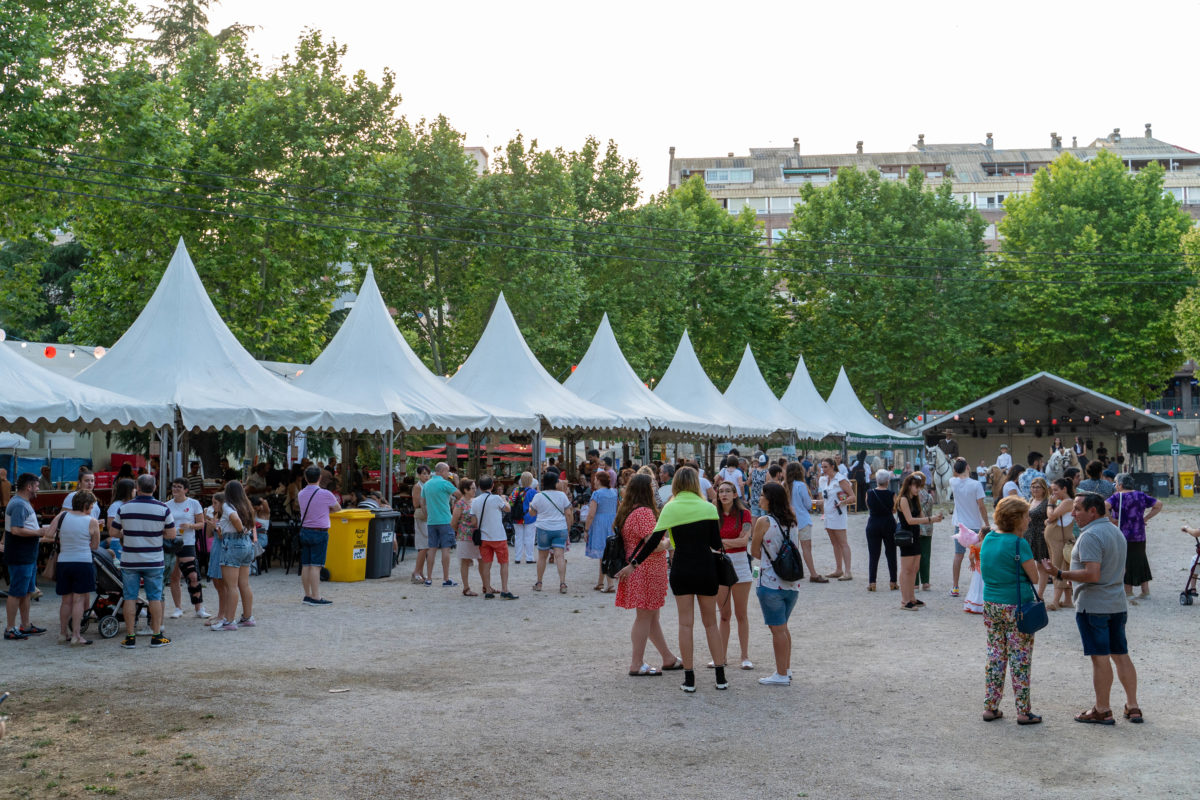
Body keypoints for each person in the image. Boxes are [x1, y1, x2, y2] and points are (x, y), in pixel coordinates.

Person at [1037, 492, 1142, 724]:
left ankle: (1102, 709)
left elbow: (1092, 574)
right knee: (1121, 655)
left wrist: (1060, 573)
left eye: (1077, 509)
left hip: (1094, 606)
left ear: (1092, 511)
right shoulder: (1116, 532)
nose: (1073, 514)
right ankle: (1133, 706)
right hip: (1116, 603)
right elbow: (1118, 571)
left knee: (1100, 658)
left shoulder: (1091, 536)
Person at [652, 467, 725, 693]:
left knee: (686, 624)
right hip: (706, 567)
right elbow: (716, 543)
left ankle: (690, 678)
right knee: (711, 623)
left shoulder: (669, 508)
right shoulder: (709, 508)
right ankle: (720, 677)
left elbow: (654, 541)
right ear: (696, 482)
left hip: (682, 567)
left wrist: (633, 563)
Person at [979, 495, 1042, 724]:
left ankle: (990, 706)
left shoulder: (988, 539)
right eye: (1026, 516)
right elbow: (1034, 576)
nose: (1029, 520)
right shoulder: (1019, 544)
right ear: (1017, 519)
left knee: (996, 655)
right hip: (1016, 606)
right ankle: (1023, 711)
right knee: (1020, 659)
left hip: (991, 604)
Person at [612, 474, 680, 676]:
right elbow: (655, 545)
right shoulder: (644, 513)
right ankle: (636, 663)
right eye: (653, 486)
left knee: (651, 618)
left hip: (640, 568)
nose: (656, 488)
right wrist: (668, 542)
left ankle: (668, 658)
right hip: (647, 569)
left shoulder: (629, 510)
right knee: (645, 618)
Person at [112, 474, 176, 648]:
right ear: (154, 488)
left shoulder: (124, 508)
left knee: (130, 597)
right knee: (155, 597)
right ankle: (156, 636)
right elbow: (171, 534)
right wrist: (156, 533)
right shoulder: (163, 508)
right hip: (154, 560)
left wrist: (128, 534)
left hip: (130, 560)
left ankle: (130, 637)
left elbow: (113, 532)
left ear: (137, 488)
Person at [4, 473, 55, 640]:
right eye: (37, 485)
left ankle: (24, 625)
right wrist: (39, 532)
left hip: (27, 554)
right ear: (29, 486)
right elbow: (16, 530)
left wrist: (40, 536)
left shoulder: (21, 503)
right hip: (20, 555)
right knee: (16, 592)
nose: (38, 488)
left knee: (26, 592)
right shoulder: (19, 504)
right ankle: (10, 628)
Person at [711, 481, 753, 670]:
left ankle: (744, 656)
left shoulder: (745, 514)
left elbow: (744, 540)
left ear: (735, 494)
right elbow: (710, 542)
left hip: (740, 563)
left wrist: (722, 542)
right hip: (720, 563)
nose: (724, 494)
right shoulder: (713, 515)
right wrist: (729, 543)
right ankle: (722, 656)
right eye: (721, 491)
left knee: (741, 613)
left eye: (728, 491)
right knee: (724, 615)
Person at [52, 490, 101, 645]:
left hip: (64, 561)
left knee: (65, 600)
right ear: (86, 505)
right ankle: (76, 635)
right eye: (92, 505)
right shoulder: (91, 521)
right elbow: (95, 545)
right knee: (78, 600)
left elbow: (48, 532)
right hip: (82, 562)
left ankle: (62, 633)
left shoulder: (62, 516)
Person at [1107, 473, 1162, 604]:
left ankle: (1128, 592)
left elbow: (1104, 506)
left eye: (1115, 483)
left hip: (1123, 534)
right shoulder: (1141, 495)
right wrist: (1146, 518)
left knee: (1125, 562)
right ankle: (1145, 591)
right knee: (1141, 560)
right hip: (1139, 534)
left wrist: (1111, 519)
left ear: (1120, 485)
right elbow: (1159, 504)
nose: (1115, 486)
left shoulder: (1117, 496)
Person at [212, 480, 255, 630]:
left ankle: (229, 621)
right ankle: (248, 617)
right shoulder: (246, 505)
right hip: (246, 544)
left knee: (231, 586)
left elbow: (234, 518)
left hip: (232, 543)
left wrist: (240, 529)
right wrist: (244, 531)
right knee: (244, 583)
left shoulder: (227, 505)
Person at [895, 473, 942, 610]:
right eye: (916, 487)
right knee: (906, 570)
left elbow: (921, 516)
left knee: (914, 569)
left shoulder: (915, 499)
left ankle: (912, 598)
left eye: (920, 487)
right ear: (909, 486)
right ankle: (905, 601)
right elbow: (910, 520)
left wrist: (934, 518)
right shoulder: (903, 499)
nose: (918, 490)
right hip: (906, 536)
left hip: (916, 536)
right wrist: (930, 520)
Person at [165, 478, 209, 620]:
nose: (175, 489)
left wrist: (190, 526)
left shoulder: (193, 503)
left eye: (179, 487)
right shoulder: (166, 505)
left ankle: (199, 607)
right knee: (174, 576)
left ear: (186, 490)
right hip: (171, 542)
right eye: (174, 486)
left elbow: (202, 524)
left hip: (187, 542)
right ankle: (178, 608)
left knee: (192, 575)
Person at [297, 465, 340, 605]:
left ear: (305, 478)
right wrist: (327, 513)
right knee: (316, 566)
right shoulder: (326, 494)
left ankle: (307, 595)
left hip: (305, 531)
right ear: (320, 478)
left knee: (306, 565)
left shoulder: (301, 494)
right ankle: (316, 597)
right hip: (319, 532)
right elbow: (338, 508)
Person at [470, 476, 517, 600]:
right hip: (498, 536)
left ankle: (488, 590)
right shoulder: (496, 498)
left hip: (484, 538)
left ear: (479, 487)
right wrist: (504, 500)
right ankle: (505, 590)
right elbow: (508, 509)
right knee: (504, 563)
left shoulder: (474, 501)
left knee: (486, 564)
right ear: (492, 486)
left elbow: (474, 522)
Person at [950, 458, 990, 598]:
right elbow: (981, 506)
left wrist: (958, 464)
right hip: (974, 524)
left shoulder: (953, 482)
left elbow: (955, 474)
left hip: (960, 525)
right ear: (968, 467)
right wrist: (986, 522)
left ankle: (955, 586)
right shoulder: (976, 484)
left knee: (958, 555)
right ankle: (981, 586)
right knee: (980, 556)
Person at [528, 472, 573, 593]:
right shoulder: (562, 496)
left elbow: (532, 513)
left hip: (543, 529)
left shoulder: (538, 496)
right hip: (560, 528)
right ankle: (562, 583)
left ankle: (539, 583)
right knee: (560, 556)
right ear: (554, 483)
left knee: (542, 556)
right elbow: (568, 513)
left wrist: (530, 506)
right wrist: (568, 528)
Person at [421, 462, 459, 587]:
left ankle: (429, 578)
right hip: (445, 520)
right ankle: (446, 578)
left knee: (431, 549)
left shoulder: (426, 485)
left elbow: (423, 503)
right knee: (445, 549)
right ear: (442, 471)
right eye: (447, 471)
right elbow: (459, 495)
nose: (448, 474)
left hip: (432, 521)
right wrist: (457, 481)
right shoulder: (445, 484)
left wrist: (427, 516)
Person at [784, 462, 823, 582]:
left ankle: (791, 571)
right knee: (806, 548)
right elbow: (807, 505)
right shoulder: (801, 485)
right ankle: (813, 574)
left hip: (788, 521)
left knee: (791, 548)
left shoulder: (784, 485)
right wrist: (816, 502)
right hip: (802, 520)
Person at [818, 458, 854, 580]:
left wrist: (843, 502)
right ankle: (839, 569)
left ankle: (848, 571)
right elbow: (825, 498)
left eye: (825, 467)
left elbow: (853, 497)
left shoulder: (840, 479)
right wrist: (817, 502)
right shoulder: (822, 480)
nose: (823, 469)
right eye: (822, 467)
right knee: (834, 543)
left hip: (838, 515)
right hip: (828, 515)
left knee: (843, 543)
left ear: (832, 466)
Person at [584, 471, 619, 592]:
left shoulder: (596, 494)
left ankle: (610, 584)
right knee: (607, 552)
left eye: (595, 479)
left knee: (605, 554)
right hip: (612, 522)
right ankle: (600, 582)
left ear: (599, 480)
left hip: (600, 524)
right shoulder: (614, 492)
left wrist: (586, 529)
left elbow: (591, 514)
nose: (594, 481)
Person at [1045, 478, 1076, 611]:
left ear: (1064, 489)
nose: (1054, 493)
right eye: (1052, 491)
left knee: (1058, 568)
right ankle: (1068, 600)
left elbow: (1051, 517)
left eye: (1056, 490)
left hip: (1060, 540)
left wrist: (1050, 504)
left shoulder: (1067, 502)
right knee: (1064, 567)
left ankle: (1055, 601)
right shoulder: (1064, 502)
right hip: (1057, 540)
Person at [864, 469, 898, 592]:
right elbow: (895, 509)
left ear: (877, 481)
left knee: (873, 554)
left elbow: (869, 506)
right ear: (887, 481)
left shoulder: (869, 493)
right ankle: (893, 581)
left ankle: (872, 582)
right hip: (888, 523)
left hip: (873, 523)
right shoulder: (892, 494)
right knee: (891, 553)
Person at [451, 478, 482, 596]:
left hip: (476, 536)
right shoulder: (460, 503)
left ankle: (486, 585)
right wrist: (461, 531)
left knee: (482, 559)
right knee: (465, 561)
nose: (475, 490)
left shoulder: (475, 501)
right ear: (465, 490)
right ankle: (466, 587)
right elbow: (453, 522)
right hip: (465, 537)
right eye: (473, 488)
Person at [1025, 478, 1051, 599]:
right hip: (1029, 535)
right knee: (1028, 563)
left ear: (1044, 489)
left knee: (1042, 566)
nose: (1035, 489)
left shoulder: (1047, 502)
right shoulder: (1031, 500)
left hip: (1041, 537)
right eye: (1033, 487)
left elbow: (1052, 518)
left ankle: (1039, 594)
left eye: (1038, 487)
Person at [408, 465, 432, 585]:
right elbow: (416, 503)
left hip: (428, 517)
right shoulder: (418, 487)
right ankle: (416, 572)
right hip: (422, 517)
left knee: (426, 546)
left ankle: (420, 572)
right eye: (423, 473)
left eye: (428, 473)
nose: (426, 476)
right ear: (419, 475)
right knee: (423, 545)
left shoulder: (427, 485)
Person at [914, 472, 935, 592]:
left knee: (915, 555)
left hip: (915, 528)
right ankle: (926, 582)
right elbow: (930, 513)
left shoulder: (912, 496)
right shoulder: (929, 497)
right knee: (926, 555)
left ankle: (915, 583)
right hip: (927, 528)